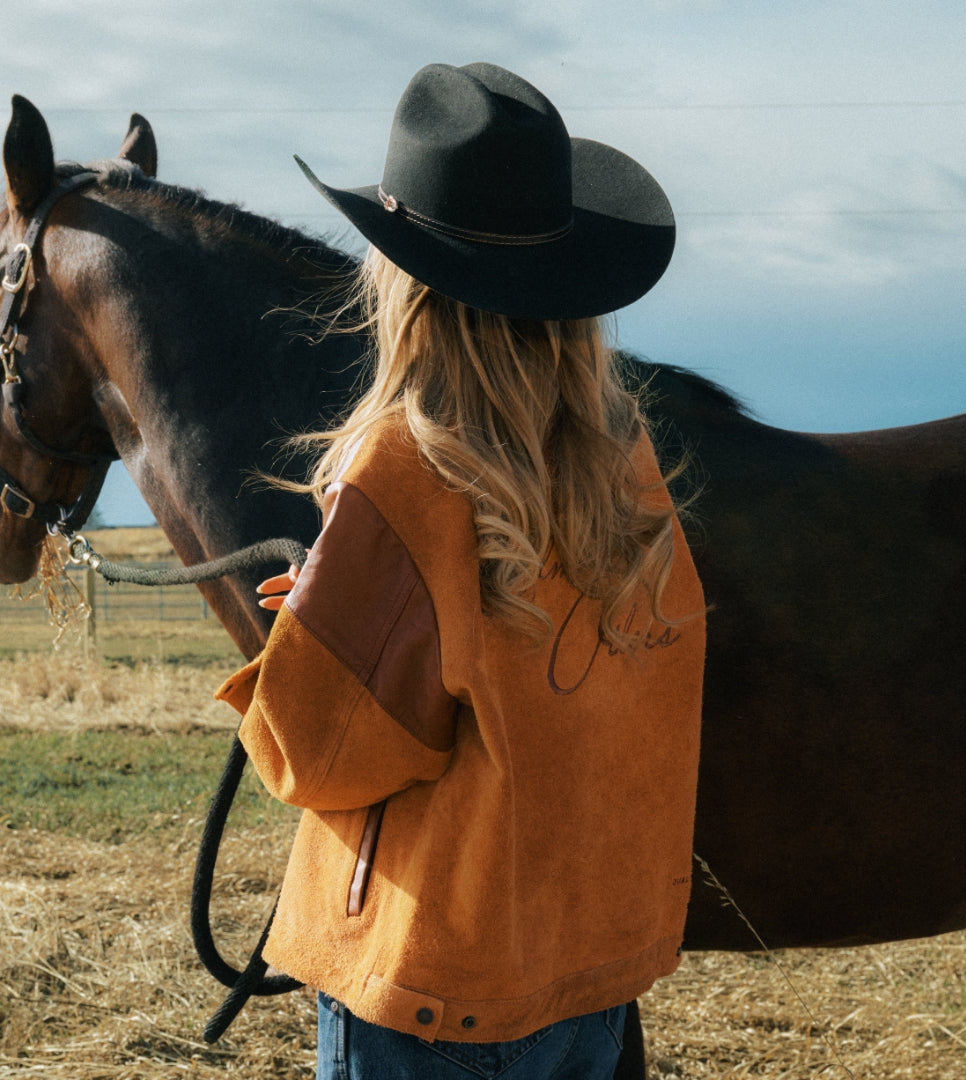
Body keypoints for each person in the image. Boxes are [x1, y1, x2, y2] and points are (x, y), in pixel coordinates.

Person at [216, 62, 706, 1080]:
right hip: (584, 980)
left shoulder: (404, 469)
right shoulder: (626, 467)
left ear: (405, 283)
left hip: (432, 987)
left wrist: (306, 633)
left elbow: (311, 754)